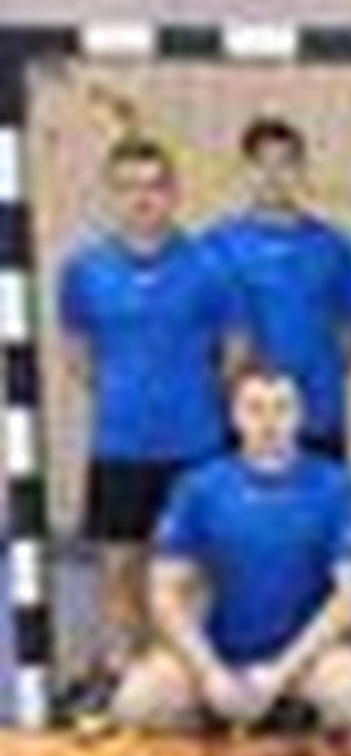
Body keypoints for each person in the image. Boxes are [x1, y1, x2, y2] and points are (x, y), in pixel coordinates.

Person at [112, 366, 351, 756]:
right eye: (255, 408)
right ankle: (220, 719)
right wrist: (209, 673)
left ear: (301, 416)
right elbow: (163, 593)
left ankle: (282, 716)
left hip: (302, 659)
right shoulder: (198, 487)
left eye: (282, 408)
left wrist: (279, 675)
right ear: (234, 417)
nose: (269, 422)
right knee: (136, 703)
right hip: (215, 654)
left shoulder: (337, 488)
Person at [59, 136, 241, 676]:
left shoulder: (210, 266)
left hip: (196, 444)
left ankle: (192, 674)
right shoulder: (84, 269)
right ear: (111, 194)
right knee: (120, 566)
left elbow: (236, 348)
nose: (142, 198)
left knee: (194, 568)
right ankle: (123, 670)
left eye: (154, 186)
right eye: (128, 187)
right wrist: (125, 393)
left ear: (173, 193)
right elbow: (77, 350)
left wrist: (195, 394)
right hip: (119, 445)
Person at [204, 116, 351, 459]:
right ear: (245, 171)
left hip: (318, 419)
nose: (273, 175)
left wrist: (316, 380)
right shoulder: (215, 246)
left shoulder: (333, 245)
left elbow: (350, 337)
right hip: (244, 423)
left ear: (301, 171)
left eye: (285, 163)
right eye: (262, 164)